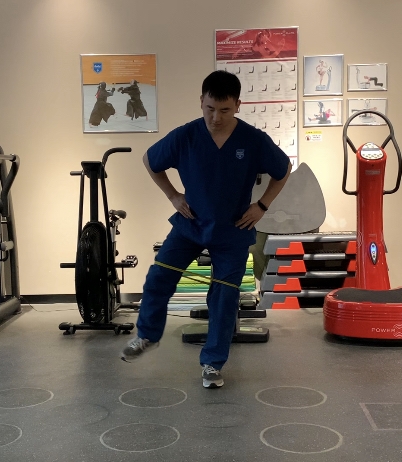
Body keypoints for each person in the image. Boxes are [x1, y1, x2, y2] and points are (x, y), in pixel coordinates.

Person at [120, 70, 291, 389]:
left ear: (238, 105)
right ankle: (147, 336)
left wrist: (262, 206)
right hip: (191, 225)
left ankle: (212, 363)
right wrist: (173, 196)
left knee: (224, 299)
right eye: (210, 108)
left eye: (224, 110)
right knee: (159, 277)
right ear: (201, 101)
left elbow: (283, 170)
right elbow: (150, 160)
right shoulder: (186, 135)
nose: (216, 117)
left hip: (233, 229)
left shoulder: (253, 140)